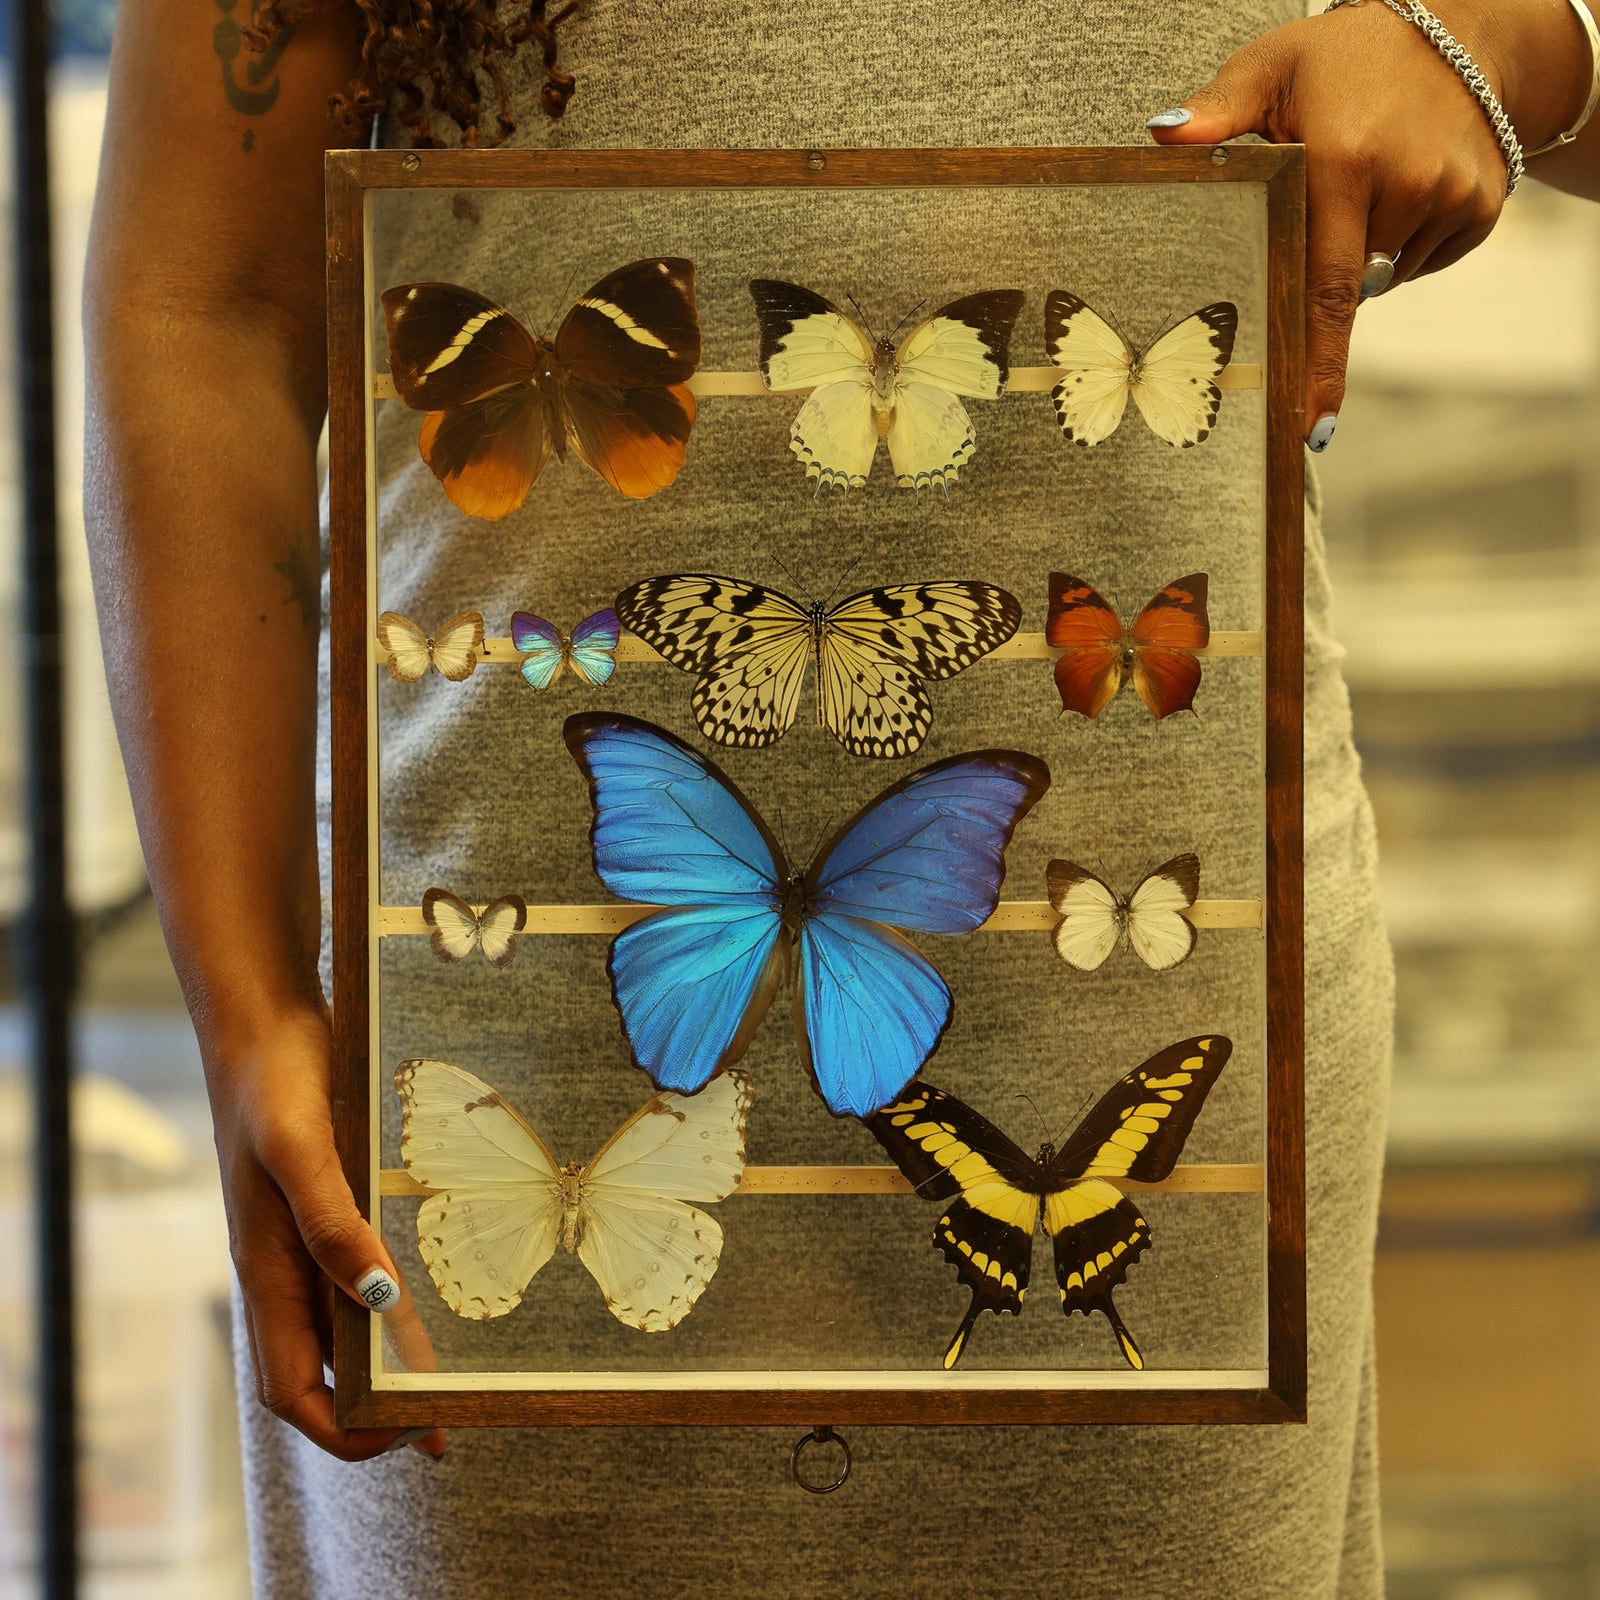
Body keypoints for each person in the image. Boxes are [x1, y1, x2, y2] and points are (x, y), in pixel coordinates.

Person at [83, 2, 1600, 1595]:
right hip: (493, 1011)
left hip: (1144, 1006)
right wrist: (250, 1003)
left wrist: (1504, 43)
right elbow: (210, 307)